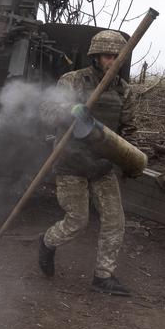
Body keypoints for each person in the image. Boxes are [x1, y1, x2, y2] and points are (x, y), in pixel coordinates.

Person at [38, 30, 137, 296]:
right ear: (95, 57)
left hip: (103, 165)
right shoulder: (72, 81)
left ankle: (104, 277)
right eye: (107, 56)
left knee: (115, 221)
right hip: (71, 162)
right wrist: (70, 111)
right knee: (77, 221)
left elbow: (128, 129)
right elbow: (46, 112)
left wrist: (129, 159)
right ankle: (47, 242)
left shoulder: (123, 90)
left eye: (117, 57)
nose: (112, 61)